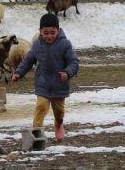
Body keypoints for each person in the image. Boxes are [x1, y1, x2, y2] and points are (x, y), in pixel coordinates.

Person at [12, 13, 79, 141]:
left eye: (52, 32)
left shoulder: (65, 44)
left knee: (59, 113)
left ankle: (58, 124)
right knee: (41, 106)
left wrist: (67, 73)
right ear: (40, 31)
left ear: (58, 30)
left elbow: (74, 62)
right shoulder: (37, 45)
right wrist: (18, 73)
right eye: (46, 32)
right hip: (43, 83)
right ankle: (36, 130)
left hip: (59, 85)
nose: (49, 36)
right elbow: (28, 60)